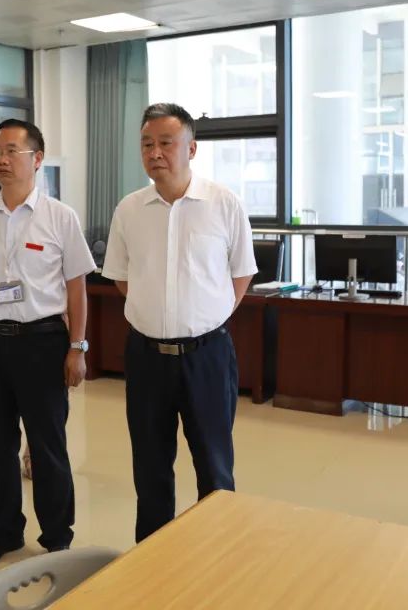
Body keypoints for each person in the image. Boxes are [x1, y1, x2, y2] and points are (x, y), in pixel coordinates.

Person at [102, 102, 257, 543]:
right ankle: (153, 557)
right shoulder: (129, 209)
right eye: (147, 144)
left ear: (191, 148)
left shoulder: (223, 204)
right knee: (150, 467)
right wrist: (157, 313)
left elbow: (241, 273)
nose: (155, 152)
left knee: (214, 465)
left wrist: (205, 316)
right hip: (147, 357)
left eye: (166, 143)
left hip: (207, 355)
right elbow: (122, 278)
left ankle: (218, 553)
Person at [0, 118, 95, 567]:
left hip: (43, 342)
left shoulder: (60, 217)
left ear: (37, 159)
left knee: (47, 443)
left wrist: (77, 348)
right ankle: (6, 531)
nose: (1, 160)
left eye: (11, 150)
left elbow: (76, 289)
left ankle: (57, 536)